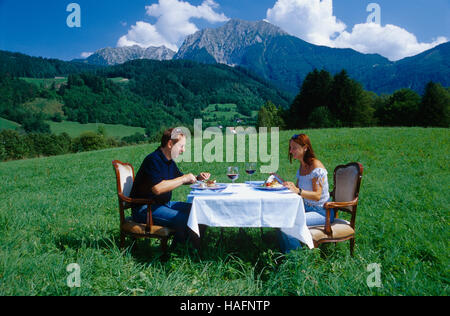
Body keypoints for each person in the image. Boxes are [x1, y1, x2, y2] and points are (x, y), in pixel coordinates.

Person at [130, 127, 210, 249]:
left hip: (163, 204)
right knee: (187, 219)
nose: (183, 150)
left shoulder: (169, 161)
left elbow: (180, 178)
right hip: (145, 209)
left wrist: (197, 177)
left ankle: (185, 247)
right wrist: (183, 178)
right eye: (181, 146)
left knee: (201, 211)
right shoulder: (153, 160)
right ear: (170, 144)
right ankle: (182, 251)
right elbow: (157, 188)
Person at [279, 134, 335, 253]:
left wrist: (297, 190)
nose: (290, 151)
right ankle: (286, 253)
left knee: (288, 224)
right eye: (290, 148)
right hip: (306, 208)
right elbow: (298, 190)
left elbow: (317, 196)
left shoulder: (315, 166)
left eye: (294, 148)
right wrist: (282, 182)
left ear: (305, 148)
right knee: (279, 217)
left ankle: (296, 258)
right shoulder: (302, 166)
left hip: (323, 212)